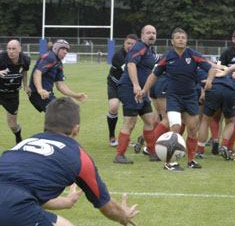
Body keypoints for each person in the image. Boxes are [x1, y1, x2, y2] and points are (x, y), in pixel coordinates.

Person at [0, 97, 139, 226]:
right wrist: (124, 216)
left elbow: (18, 192)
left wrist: (66, 202)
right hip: (13, 208)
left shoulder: (23, 144)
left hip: (13, 206)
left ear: (46, 125)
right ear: (76, 129)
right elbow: (109, 209)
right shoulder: (78, 156)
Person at [136, 28, 216, 170]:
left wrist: (209, 80)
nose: (181, 39)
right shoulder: (167, 57)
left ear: (186, 40)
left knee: (192, 129)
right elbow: (154, 75)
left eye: (183, 37)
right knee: (175, 127)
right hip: (173, 97)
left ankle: (191, 161)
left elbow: (211, 68)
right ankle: (169, 162)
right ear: (172, 41)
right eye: (178, 37)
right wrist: (144, 90)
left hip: (191, 97)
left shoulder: (193, 55)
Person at [114, 25, 158, 164]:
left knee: (149, 120)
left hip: (141, 91)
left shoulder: (149, 50)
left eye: (154, 33)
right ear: (142, 35)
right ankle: (119, 155)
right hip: (130, 88)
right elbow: (131, 65)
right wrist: (136, 85)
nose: (152, 35)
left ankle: (152, 152)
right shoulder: (139, 47)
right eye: (149, 33)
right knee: (130, 122)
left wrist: (145, 89)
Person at [29, 39, 88, 112]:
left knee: (62, 115)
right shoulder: (50, 57)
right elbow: (37, 72)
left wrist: (76, 96)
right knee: (61, 114)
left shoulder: (59, 64)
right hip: (38, 94)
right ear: (56, 48)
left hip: (48, 94)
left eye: (66, 50)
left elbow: (60, 85)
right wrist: (40, 90)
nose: (65, 52)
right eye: (63, 49)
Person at [107, 34, 138, 147]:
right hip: (115, 84)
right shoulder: (118, 56)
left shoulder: (139, 55)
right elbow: (129, 69)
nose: (130, 46)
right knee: (114, 106)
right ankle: (112, 136)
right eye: (128, 43)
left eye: (133, 44)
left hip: (129, 86)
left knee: (130, 113)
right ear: (124, 44)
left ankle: (126, 138)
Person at [0, 40, 31, 144]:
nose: (11, 51)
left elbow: (24, 72)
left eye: (14, 49)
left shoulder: (25, 59)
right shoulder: (1, 57)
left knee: (13, 125)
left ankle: (18, 137)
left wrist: (26, 86)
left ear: (20, 49)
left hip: (12, 94)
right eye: (9, 48)